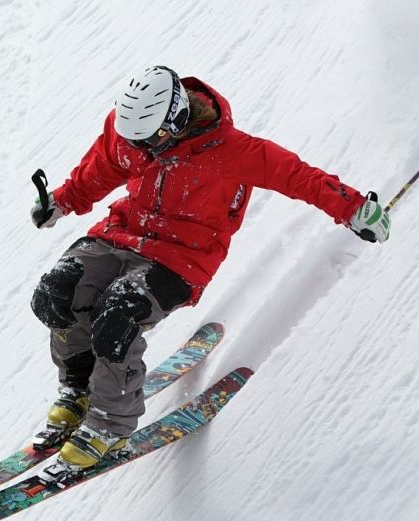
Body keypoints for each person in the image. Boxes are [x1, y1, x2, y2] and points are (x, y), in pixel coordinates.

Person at [28, 65, 390, 482]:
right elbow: (105, 164)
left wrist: (354, 207)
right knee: (55, 294)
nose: (142, 149)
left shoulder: (234, 151)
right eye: (135, 140)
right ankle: (79, 389)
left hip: (181, 257)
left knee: (117, 316)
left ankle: (110, 423)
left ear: (177, 118)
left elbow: (300, 177)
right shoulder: (131, 130)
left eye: (150, 140)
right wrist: (63, 200)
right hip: (122, 234)